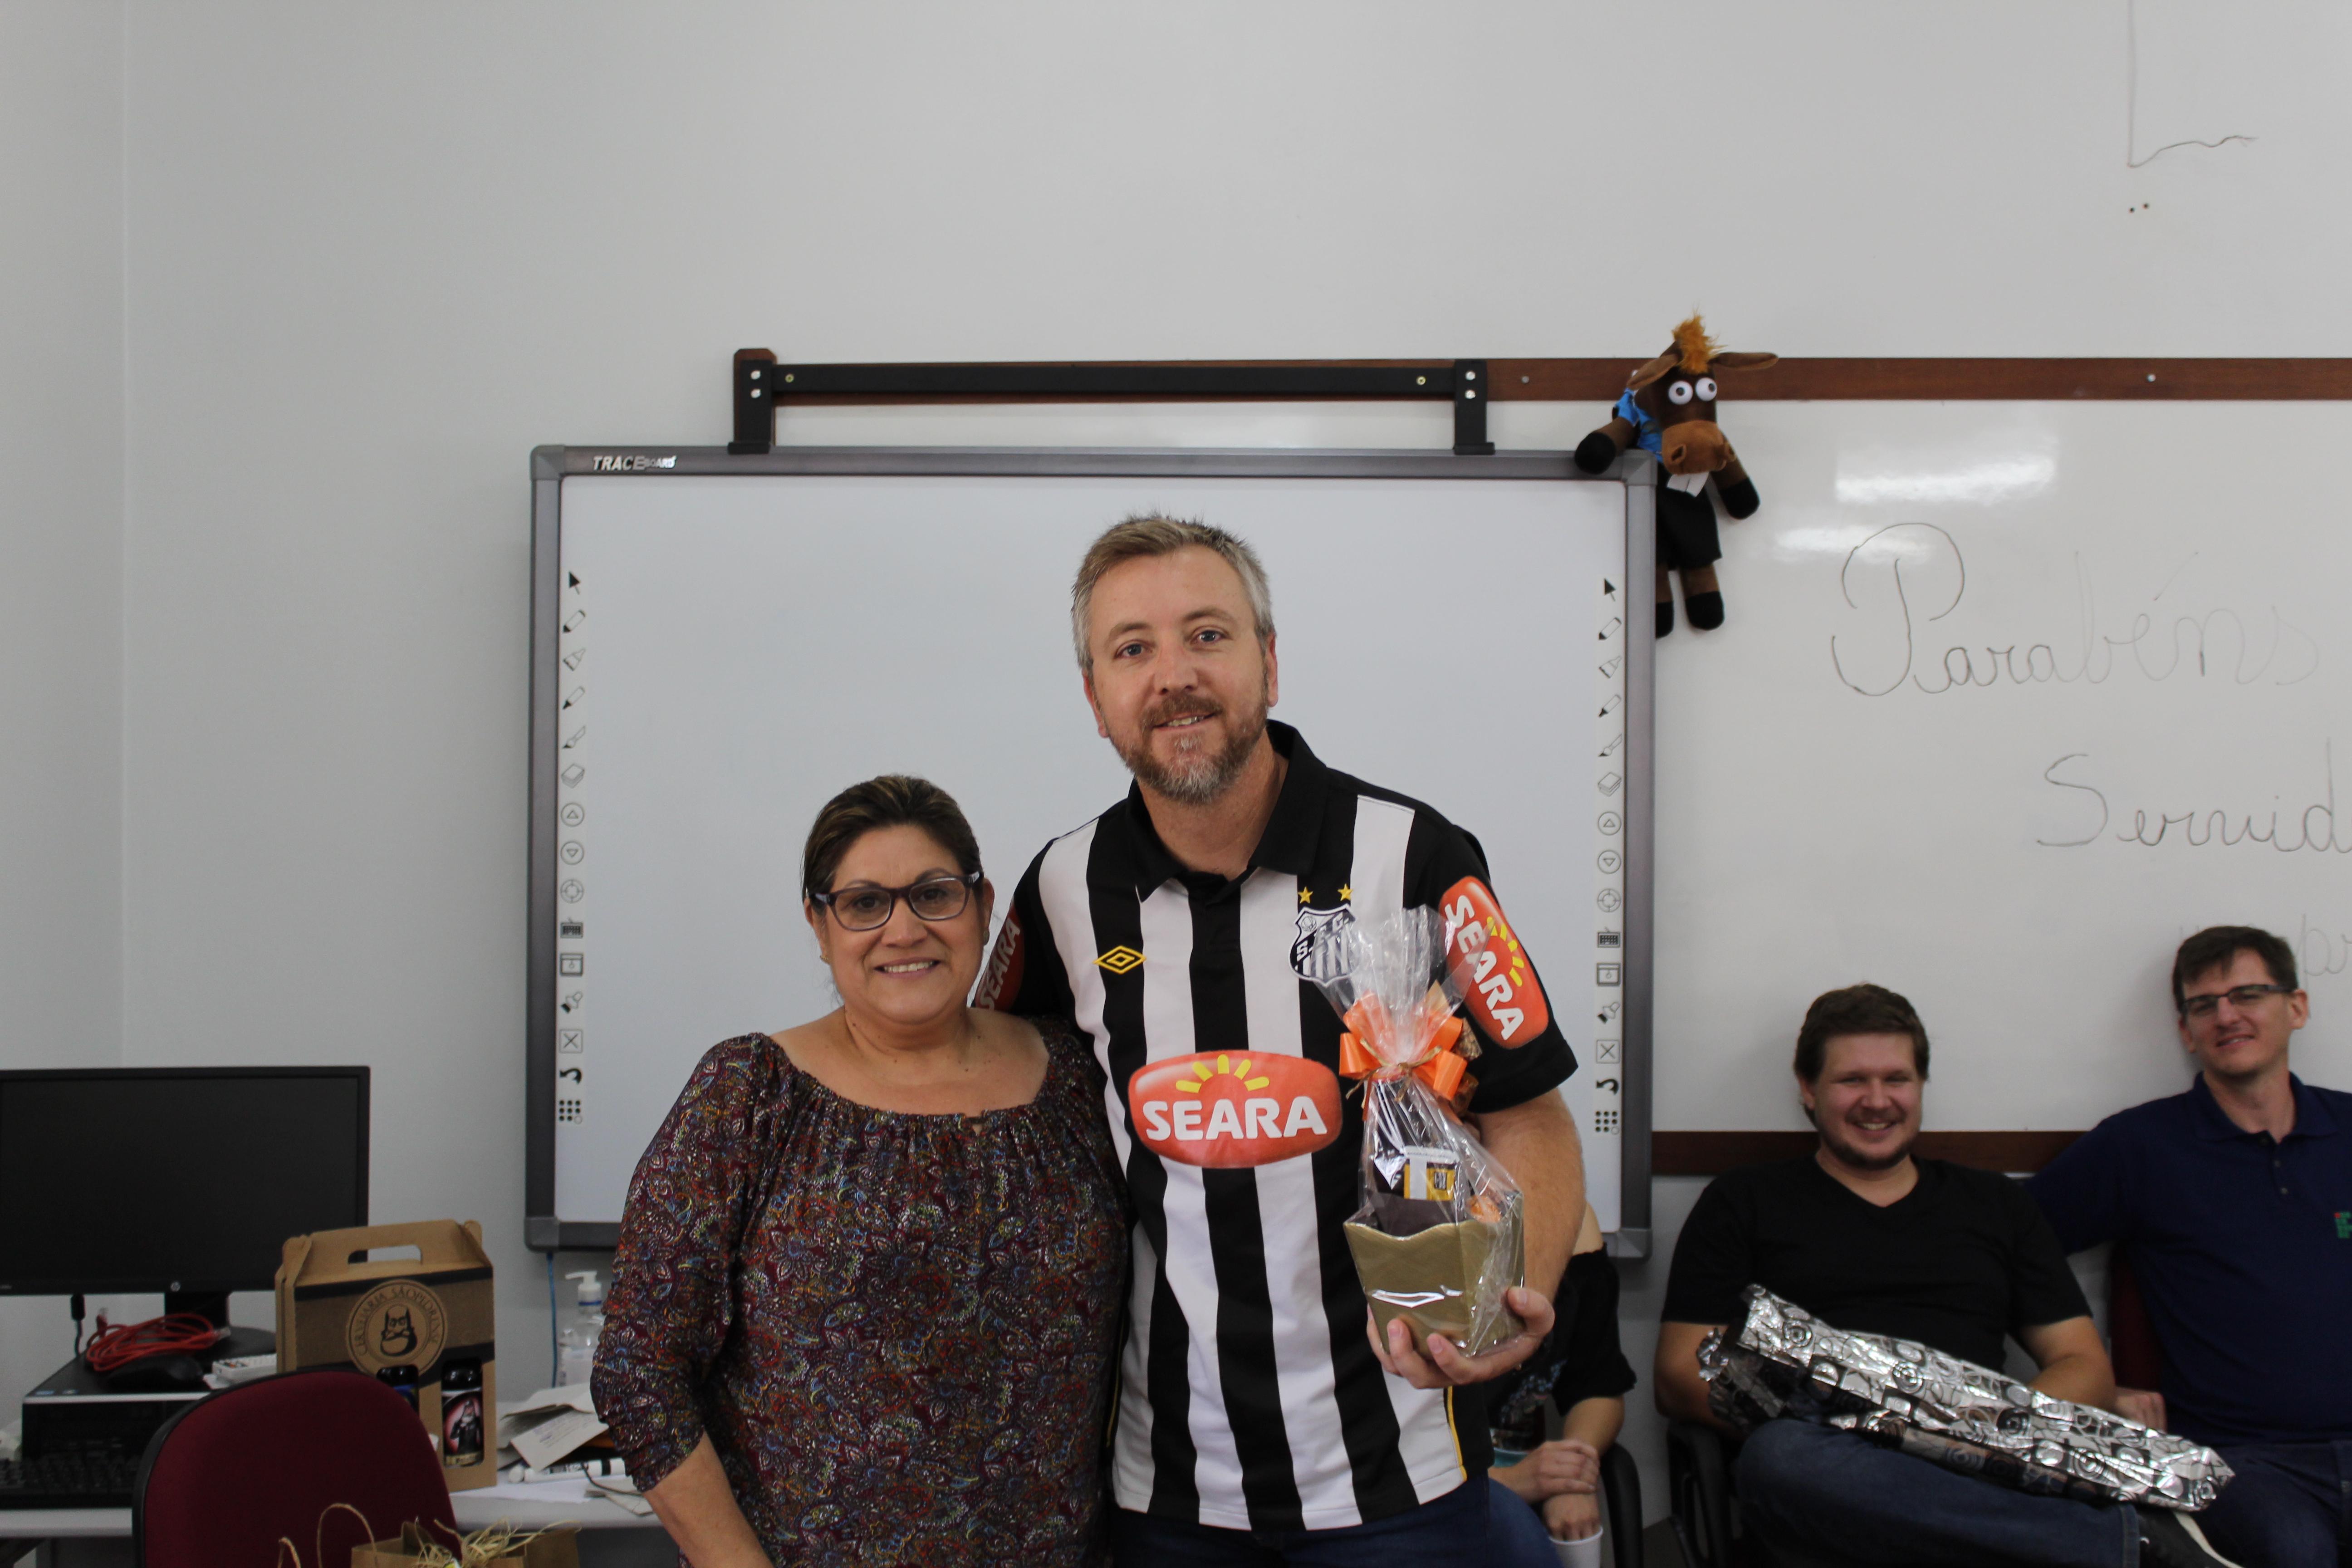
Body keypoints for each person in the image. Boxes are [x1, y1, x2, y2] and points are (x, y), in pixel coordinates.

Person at [976, 515, 1583, 1563]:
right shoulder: (1064, 887)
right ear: (1095, 698)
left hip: (1399, 1475)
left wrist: (1498, 1308)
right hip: (1163, 1486)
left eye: (1206, 635)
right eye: (1132, 648)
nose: (1173, 675)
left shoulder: (1412, 855)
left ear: (1268, 660)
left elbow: (1529, 1116)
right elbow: (987, 1094)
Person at [593, 776, 1129, 1567]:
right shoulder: (747, 1098)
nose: (903, 930)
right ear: (819, 926)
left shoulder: (1077, 1079)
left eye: (934, 894)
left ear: (983, 907)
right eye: (864, 903)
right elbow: (639, 1375)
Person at [1655, 983, 2234, 1568]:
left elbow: (2083, 1364)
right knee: (1779, 1456)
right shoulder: (1743, 1201)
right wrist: (1875, 1432)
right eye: (1852, 1080)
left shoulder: (1995, 1205)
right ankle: (2128, 1545)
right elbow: (1680, 1374)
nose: (1877, 1101)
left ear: (1921, 1085)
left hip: (1978, 1457)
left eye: (1897, 1079)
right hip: (1834, 1472)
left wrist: (1977, 1433)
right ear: (1808, 1088)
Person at [2031, 924, 2352, 1568]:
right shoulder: (2140, 1148)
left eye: (2248, 995)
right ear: (2186, 1031)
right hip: (2243, 1461)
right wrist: (2092, 1383)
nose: (2226, 1016)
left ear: (2296, 1007)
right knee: (2296, 1552)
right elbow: (2006, 1249)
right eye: (2204, 1005)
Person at [1485, 1204, 1636, 1567]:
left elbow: (1597, 1388)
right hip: (1416, 1482)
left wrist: (1570, 1473)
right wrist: (1511, 1482)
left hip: (1518, 1472)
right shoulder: (1404, 1207)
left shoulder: (1570, 1218)